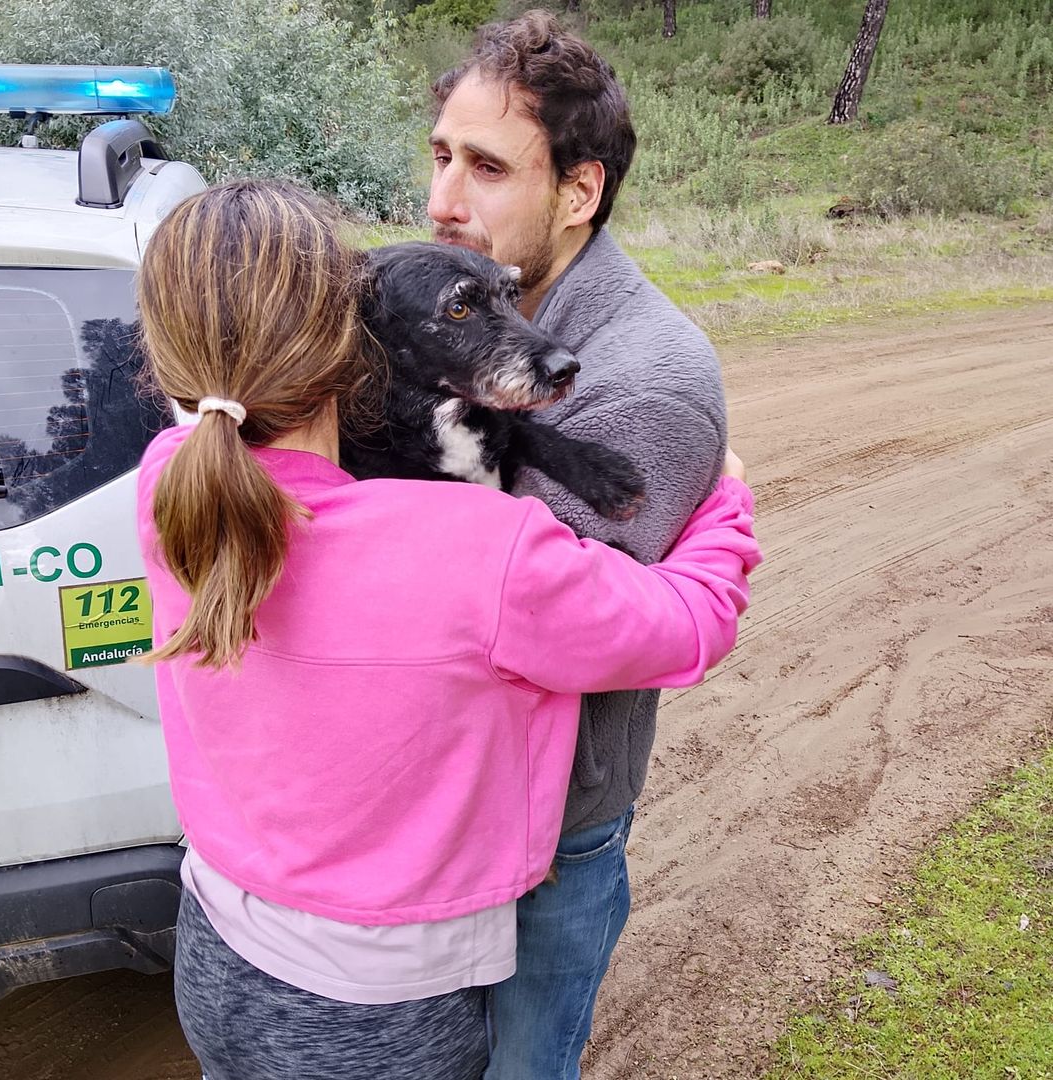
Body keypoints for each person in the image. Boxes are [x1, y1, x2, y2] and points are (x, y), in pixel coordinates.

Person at [136, 178, 759, 1080]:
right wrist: (726, 498)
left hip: (215, 951)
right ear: (355, 344)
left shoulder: (169, 484)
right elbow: (688, 626)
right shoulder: (478, 549)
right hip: (380, 1013)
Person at [427, 11, 733, 1076]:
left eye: (485, 168)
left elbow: (521, 619)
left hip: (544, 838)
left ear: (579, 191)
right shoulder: (457, 314)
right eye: (439, 156)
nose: (442, 200)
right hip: (431, 816)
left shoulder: (647, 377)